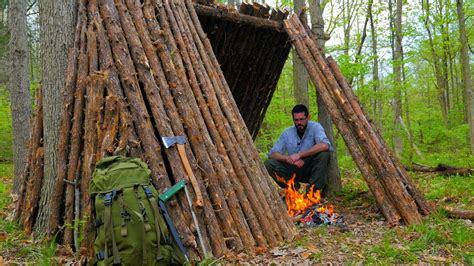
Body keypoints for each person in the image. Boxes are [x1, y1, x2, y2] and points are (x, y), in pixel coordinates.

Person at [264, 104, 332, 195]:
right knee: (269, 164)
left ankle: (313, 192)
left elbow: (325, 145)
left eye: (302, 119)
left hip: (310, 169)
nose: (299, 122)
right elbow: (272, 154)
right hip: (293, 168)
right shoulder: (287, 133)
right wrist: (289, 159)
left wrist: (300, 155)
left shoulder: (315, 127)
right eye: (296, 120)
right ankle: (293, 190)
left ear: (308, 117)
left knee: (324, 154)